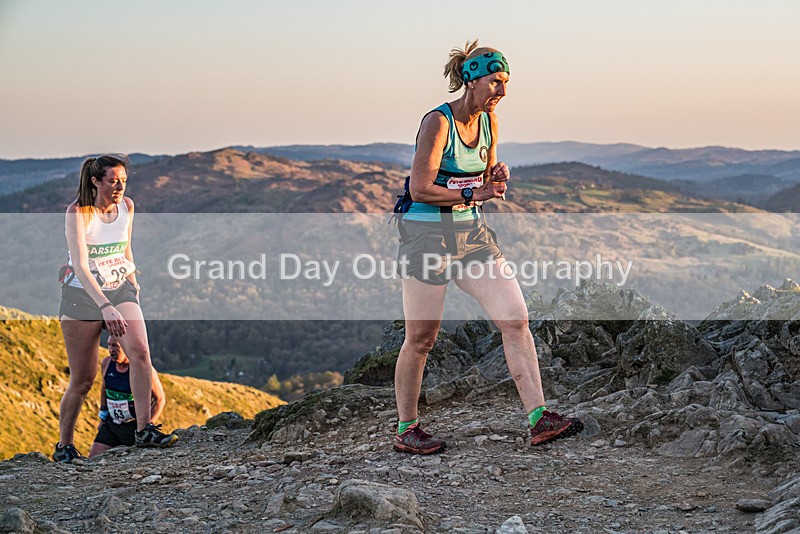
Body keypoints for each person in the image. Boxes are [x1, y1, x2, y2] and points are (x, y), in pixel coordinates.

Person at [393, 40, 584, 454]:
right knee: (422, 338)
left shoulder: (490, 123)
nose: (502, 90)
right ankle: (407, 429)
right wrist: (473, 195)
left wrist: (496, 176)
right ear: (471, 80)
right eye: (496, 81)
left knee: (515, 319)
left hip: (471, 236)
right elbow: (420, 188)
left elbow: (486, 180)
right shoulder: (438, 123)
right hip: (426, 236)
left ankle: (539, 419)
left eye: (506, 82)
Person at [54, 154, 178, 463]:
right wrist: (105, 307)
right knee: (83, 379)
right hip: (82, 296)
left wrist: (133, 282)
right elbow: (81, 266)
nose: (120, 186)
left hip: (120, 286)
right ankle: (64, 446)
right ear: (96, 181)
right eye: (113, 180)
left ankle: (144, 429)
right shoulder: (79, 213)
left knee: (140, 352)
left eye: (123, 180)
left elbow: (125, 247)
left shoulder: (127, 207)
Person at [89, 336, 176, 457]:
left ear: (126, 348)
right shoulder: (106, 363)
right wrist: (103, 416)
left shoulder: (144, 369)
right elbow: (104, 389)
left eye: (115, 346)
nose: (111, 350)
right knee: (92, 460)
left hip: (133, 426)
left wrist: (147, 426)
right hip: (111, 424)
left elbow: (159, 399)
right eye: (109, 345)